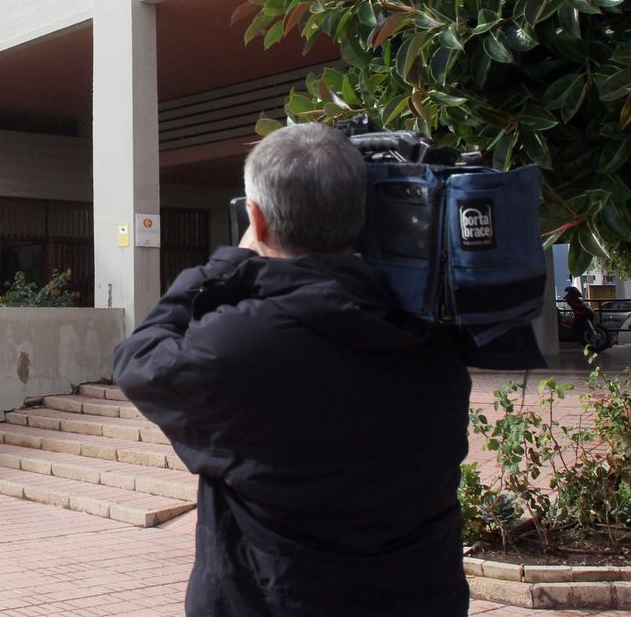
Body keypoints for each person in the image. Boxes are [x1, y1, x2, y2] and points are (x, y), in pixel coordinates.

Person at [112, 123, 471, 616]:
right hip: (420, 597)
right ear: (362, 215)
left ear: (256, 220)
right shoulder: (432, 335)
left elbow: (138, 359)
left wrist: (228, 263)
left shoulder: (236, 345)